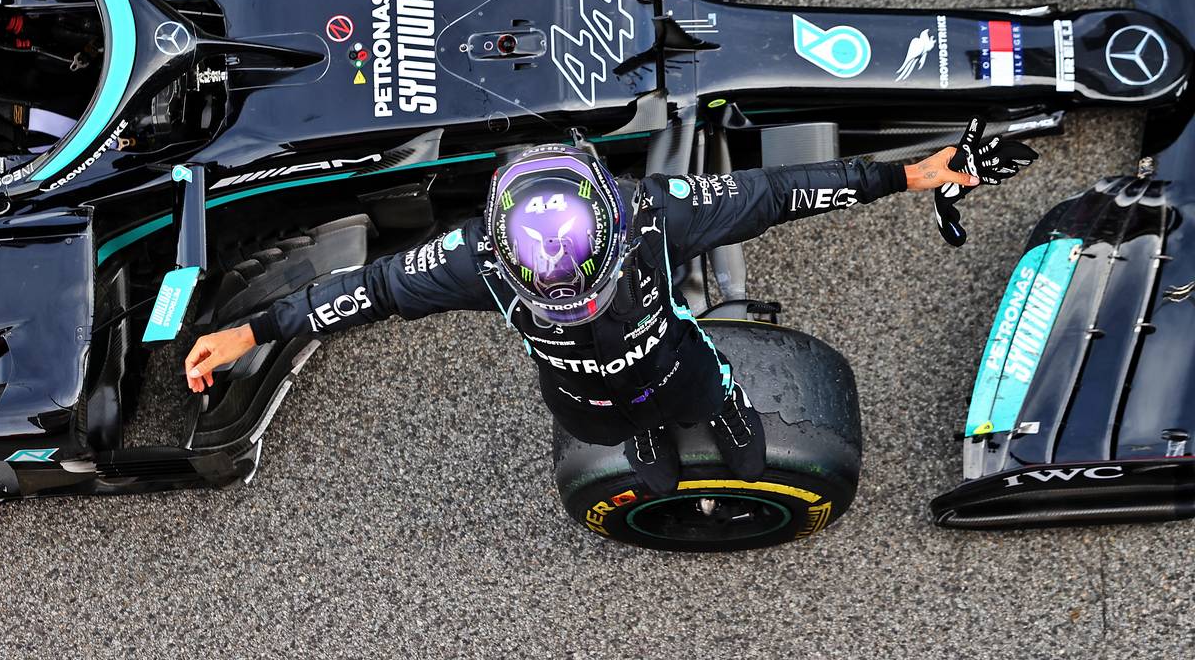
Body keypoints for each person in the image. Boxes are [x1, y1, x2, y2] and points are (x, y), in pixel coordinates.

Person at [184, 119, 1036, 494]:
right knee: (623, 439)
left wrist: (912, 173)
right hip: (587, 405)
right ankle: (647, 438)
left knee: (721, 412)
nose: (566, 303)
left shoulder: (660, 209)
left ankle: (725, 424)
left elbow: (782, 192)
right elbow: (358, 294)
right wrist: (249, 329)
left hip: (681, 364)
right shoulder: (473, 257)